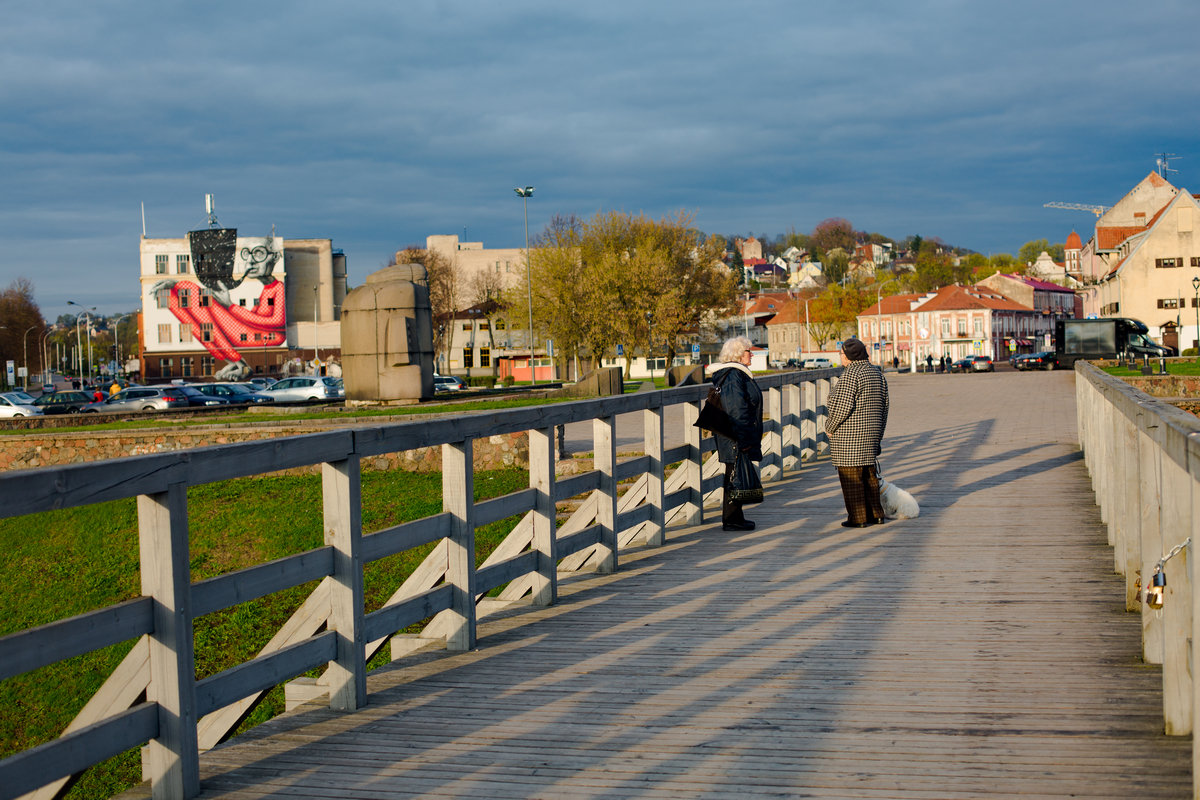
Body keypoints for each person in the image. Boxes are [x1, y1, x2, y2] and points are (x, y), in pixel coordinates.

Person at [825, 338, 889, 528]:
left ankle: (858, 518)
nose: (841, 358)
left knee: (851, 478)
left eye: (842, 355)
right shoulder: (876, 373)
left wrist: (830, 427)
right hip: (870, 434)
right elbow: (884, 407)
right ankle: (876, 514)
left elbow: (843, 406)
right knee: (869, 476)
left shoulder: (851, 374)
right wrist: (878, 435)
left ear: (850, 356)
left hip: (849, 437)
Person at [711, 336, 763, 531]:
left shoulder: (737, 374)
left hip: (733, 433)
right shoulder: (733, 376)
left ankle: (735, 517)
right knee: (733, 475)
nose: (752, 354)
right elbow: (736, 409)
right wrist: (744, 439)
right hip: (733, 435)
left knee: (734, 473)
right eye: (749, 351)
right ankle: (731, 519)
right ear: (739, 355)